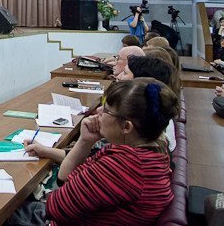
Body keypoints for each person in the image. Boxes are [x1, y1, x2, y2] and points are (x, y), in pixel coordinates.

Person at [41, 79, 177, 225]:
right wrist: (85, 141)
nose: (98, 111)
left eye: (106, 110)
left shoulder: (124, 165)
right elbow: (64, 179)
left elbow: (55, 208)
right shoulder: (152, 150)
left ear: (126, 127)